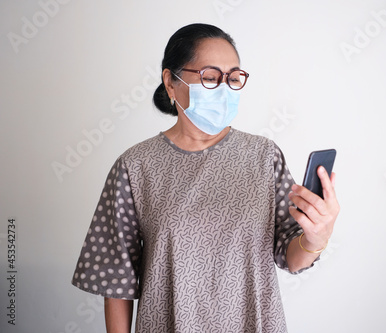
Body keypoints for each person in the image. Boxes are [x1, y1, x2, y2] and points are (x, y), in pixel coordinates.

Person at [71, 23, 340, 333]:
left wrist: (316, 238)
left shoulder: (264, 156)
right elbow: (115, 279)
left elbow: (292, 258)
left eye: (234, 78)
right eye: (210, 78)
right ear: (171, 83)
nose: (224, 89)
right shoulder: (136, 166)